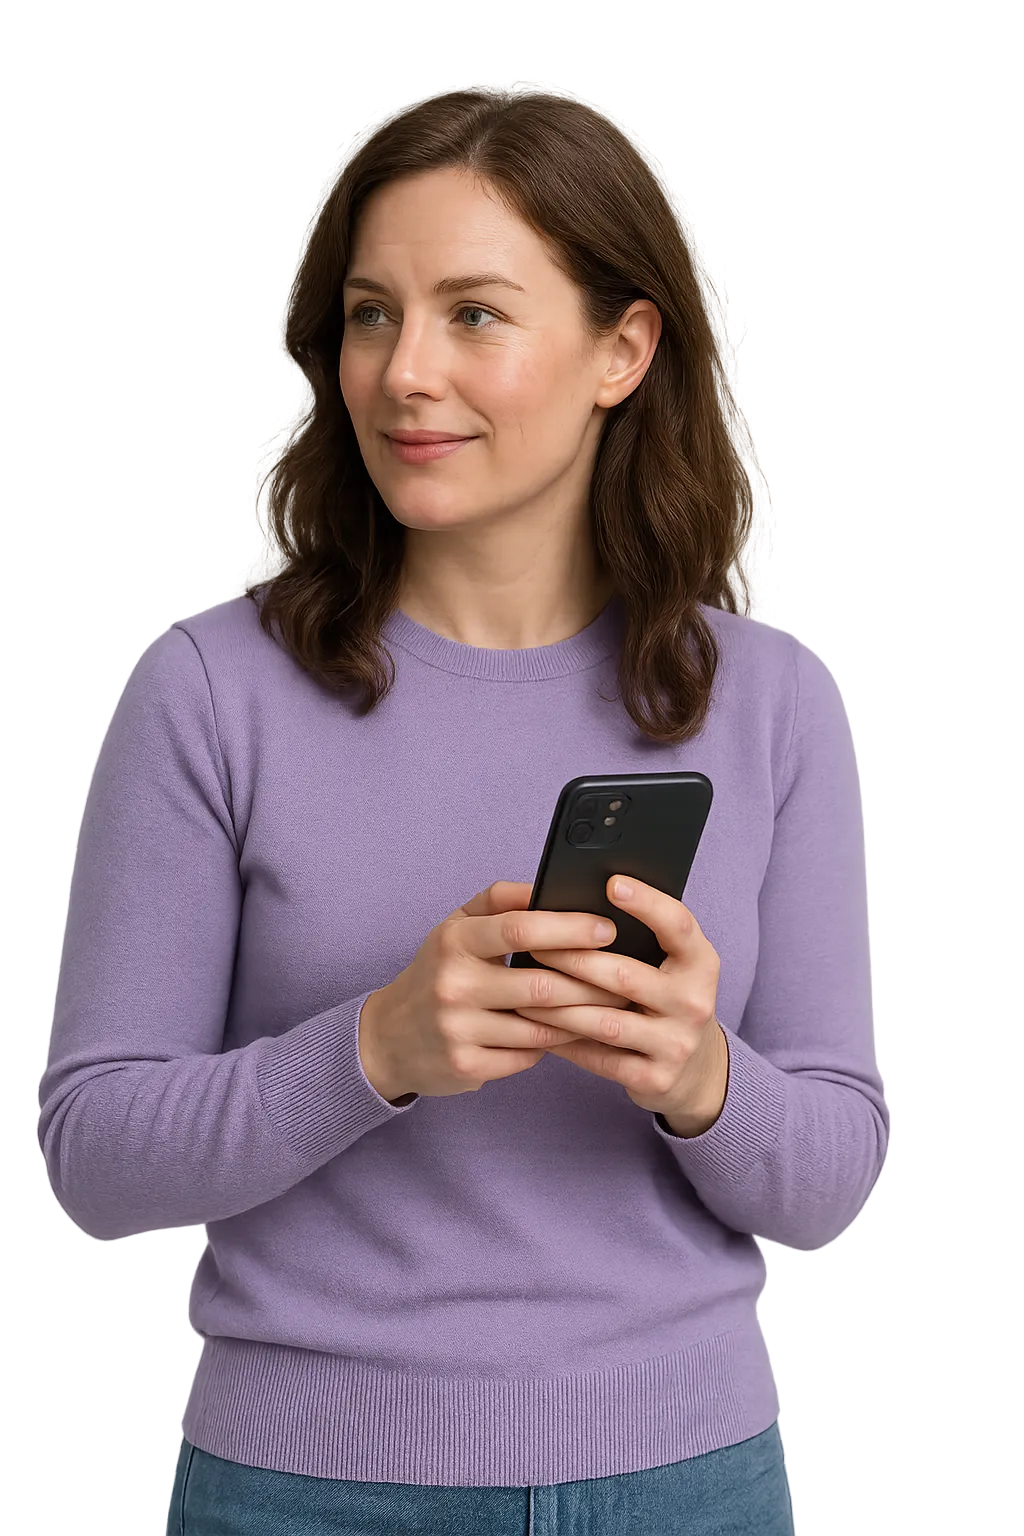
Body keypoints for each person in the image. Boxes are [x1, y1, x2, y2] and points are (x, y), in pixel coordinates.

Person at [36, 88, 889, 1534]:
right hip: (301, 1485)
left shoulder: (772, 701)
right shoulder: (210, 691)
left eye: (474, 313)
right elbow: (98, 1155)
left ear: (622, 351)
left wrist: (701, 1077)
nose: (404, 373)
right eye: (371, 315)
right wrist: (376, 1048)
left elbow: (832, 1178)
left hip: (682, 1485)